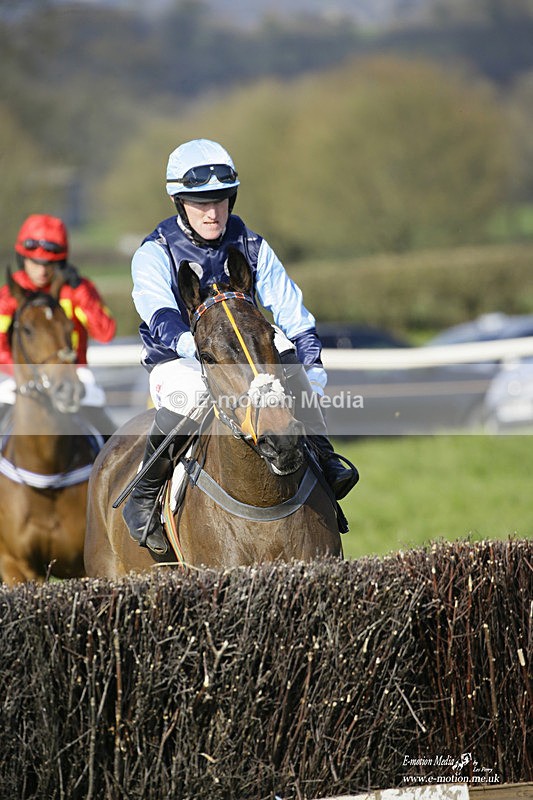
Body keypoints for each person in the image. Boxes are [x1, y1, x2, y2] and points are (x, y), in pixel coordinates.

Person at [124, 138, 358, 554]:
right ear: (180, 202)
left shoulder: (252, 244)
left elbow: (294, 315)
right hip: (179, 356)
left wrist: (311, 375)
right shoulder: (154, 252)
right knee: (193, 393)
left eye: (220, 201)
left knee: (289, 365)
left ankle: (324, 457)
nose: (212, 212)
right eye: (200, 203)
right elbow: (158, 314)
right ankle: (145, 492)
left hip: (247, 351)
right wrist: (198, 353)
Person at [0, 213, 117, 437]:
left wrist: (81, 293)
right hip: (19, 376)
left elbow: (105, 333)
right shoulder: (9, 296)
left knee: (109, 434)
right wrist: (25, 373)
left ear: (61, 261)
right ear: (22, 258)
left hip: (73, 375)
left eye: (49, 264)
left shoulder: (77, 289)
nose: (42, 271)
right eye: (34, 262)